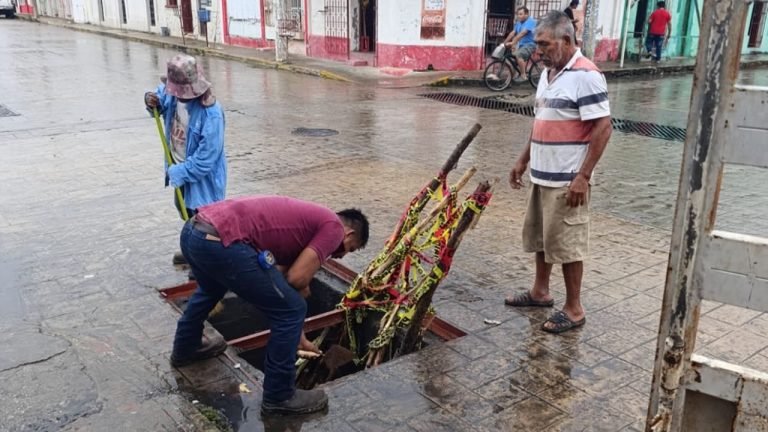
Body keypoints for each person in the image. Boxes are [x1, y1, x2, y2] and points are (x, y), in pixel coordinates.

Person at [170, 195, 370, 415]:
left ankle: (186, 349)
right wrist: (301, 292)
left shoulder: (305, 224)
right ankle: (280, 396)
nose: (341, 256)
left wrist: (297, 334)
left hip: (195, 232)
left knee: (211, 290)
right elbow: (296, 279)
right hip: (219, 241)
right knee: (292, 309)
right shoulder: (333, 228)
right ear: (349, 233)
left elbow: (279, 275)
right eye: (350, 249)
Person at [505, 10, 612, 334]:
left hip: (567, 180)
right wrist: (523, 159)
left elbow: (603, 127)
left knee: (567, 244)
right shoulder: (548, 73)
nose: (539, 51)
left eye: (545, 44)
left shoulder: (586, 74)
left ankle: (574, 309)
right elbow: (542, 122)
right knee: (542, 238)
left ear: (566, 40)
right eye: (537, 44)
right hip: (542, 173)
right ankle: (540, 292)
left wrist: (583, 177)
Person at [144, 54, 227, 268]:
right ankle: (193, 251)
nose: (182, 97)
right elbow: (159, 100)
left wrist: (178, 173)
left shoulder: (212, 114)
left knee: (205, 222)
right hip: (178, 166)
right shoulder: (173, 94)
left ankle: (205, 264)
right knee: (185, 212)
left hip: (202, 179)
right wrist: (150, 100)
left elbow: (205, 160)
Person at [501, 7, 537, 82]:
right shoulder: (518, 23)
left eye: (521, 14)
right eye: (518, 14)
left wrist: (513, 42)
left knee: (518, 55)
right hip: (521, 45)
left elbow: (522, 33)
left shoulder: (531, 21)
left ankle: (523, 75)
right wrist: (504, 43)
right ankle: (510, 81)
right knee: (513, 62)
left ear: (526, 14)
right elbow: (512, 33)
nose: (518, 16)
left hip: (530, 45)